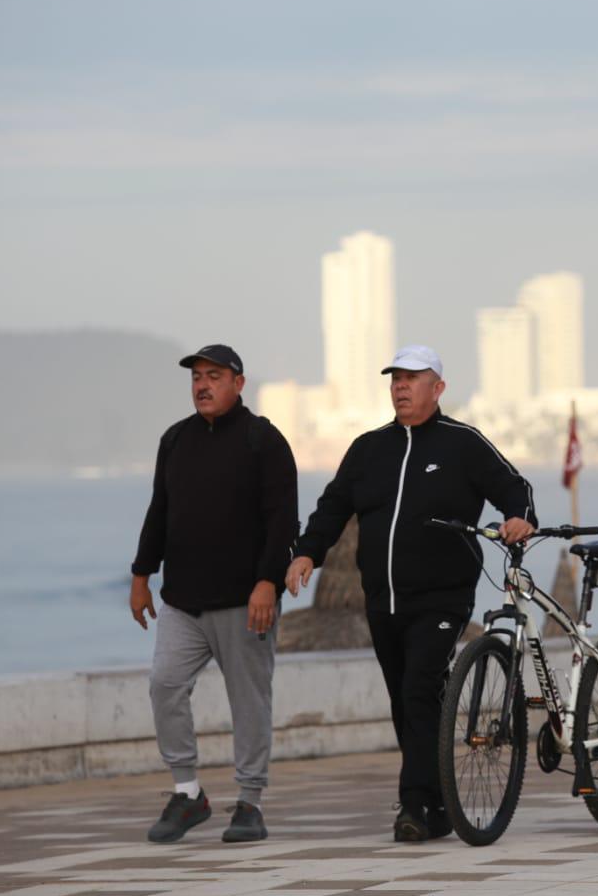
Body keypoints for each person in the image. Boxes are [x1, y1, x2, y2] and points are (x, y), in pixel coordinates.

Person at [285, 345, 536, 841]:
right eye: (395, 379)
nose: (401, 387)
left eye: (412, 379)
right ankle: (439, 799)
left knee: (419, 688)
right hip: (382, 599)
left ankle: (414, 806)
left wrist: (520, 518)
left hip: (443, 595)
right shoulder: (368, 448)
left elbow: (514, 486)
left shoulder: (463, 443)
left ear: (437, 388)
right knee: (406, 700)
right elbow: (333, 507)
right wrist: (306, 553)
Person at [130, 344, 298, 844]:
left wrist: (267, 581)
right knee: (164, 684)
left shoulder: (262, 440)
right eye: (197, 378)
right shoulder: (176, 439)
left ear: (239, 383)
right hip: (183, 600)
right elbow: (160, 510)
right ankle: (187, 794)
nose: (203, 385)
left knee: (248, 702)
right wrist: (141, 574)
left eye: (215, 376)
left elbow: (282, 519)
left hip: (245, 601)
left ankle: (249, 803)